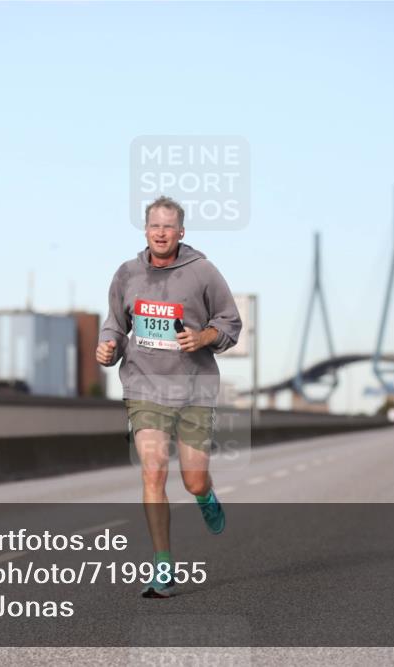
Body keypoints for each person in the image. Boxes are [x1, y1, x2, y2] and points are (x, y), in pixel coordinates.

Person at [96, 196, 242, 598]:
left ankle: (205, 494)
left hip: (194, 388)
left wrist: (203, 337)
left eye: (168, 227)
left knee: (192, 479)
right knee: (153, 470)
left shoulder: (202, 272)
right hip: (144, 387)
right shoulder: (127, 274)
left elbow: (230, 322)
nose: (161, 233)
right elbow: (115, 325)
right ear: (146, 230)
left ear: (180, 232)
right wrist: (107, 346)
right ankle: (163, 566)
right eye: (154, 226)